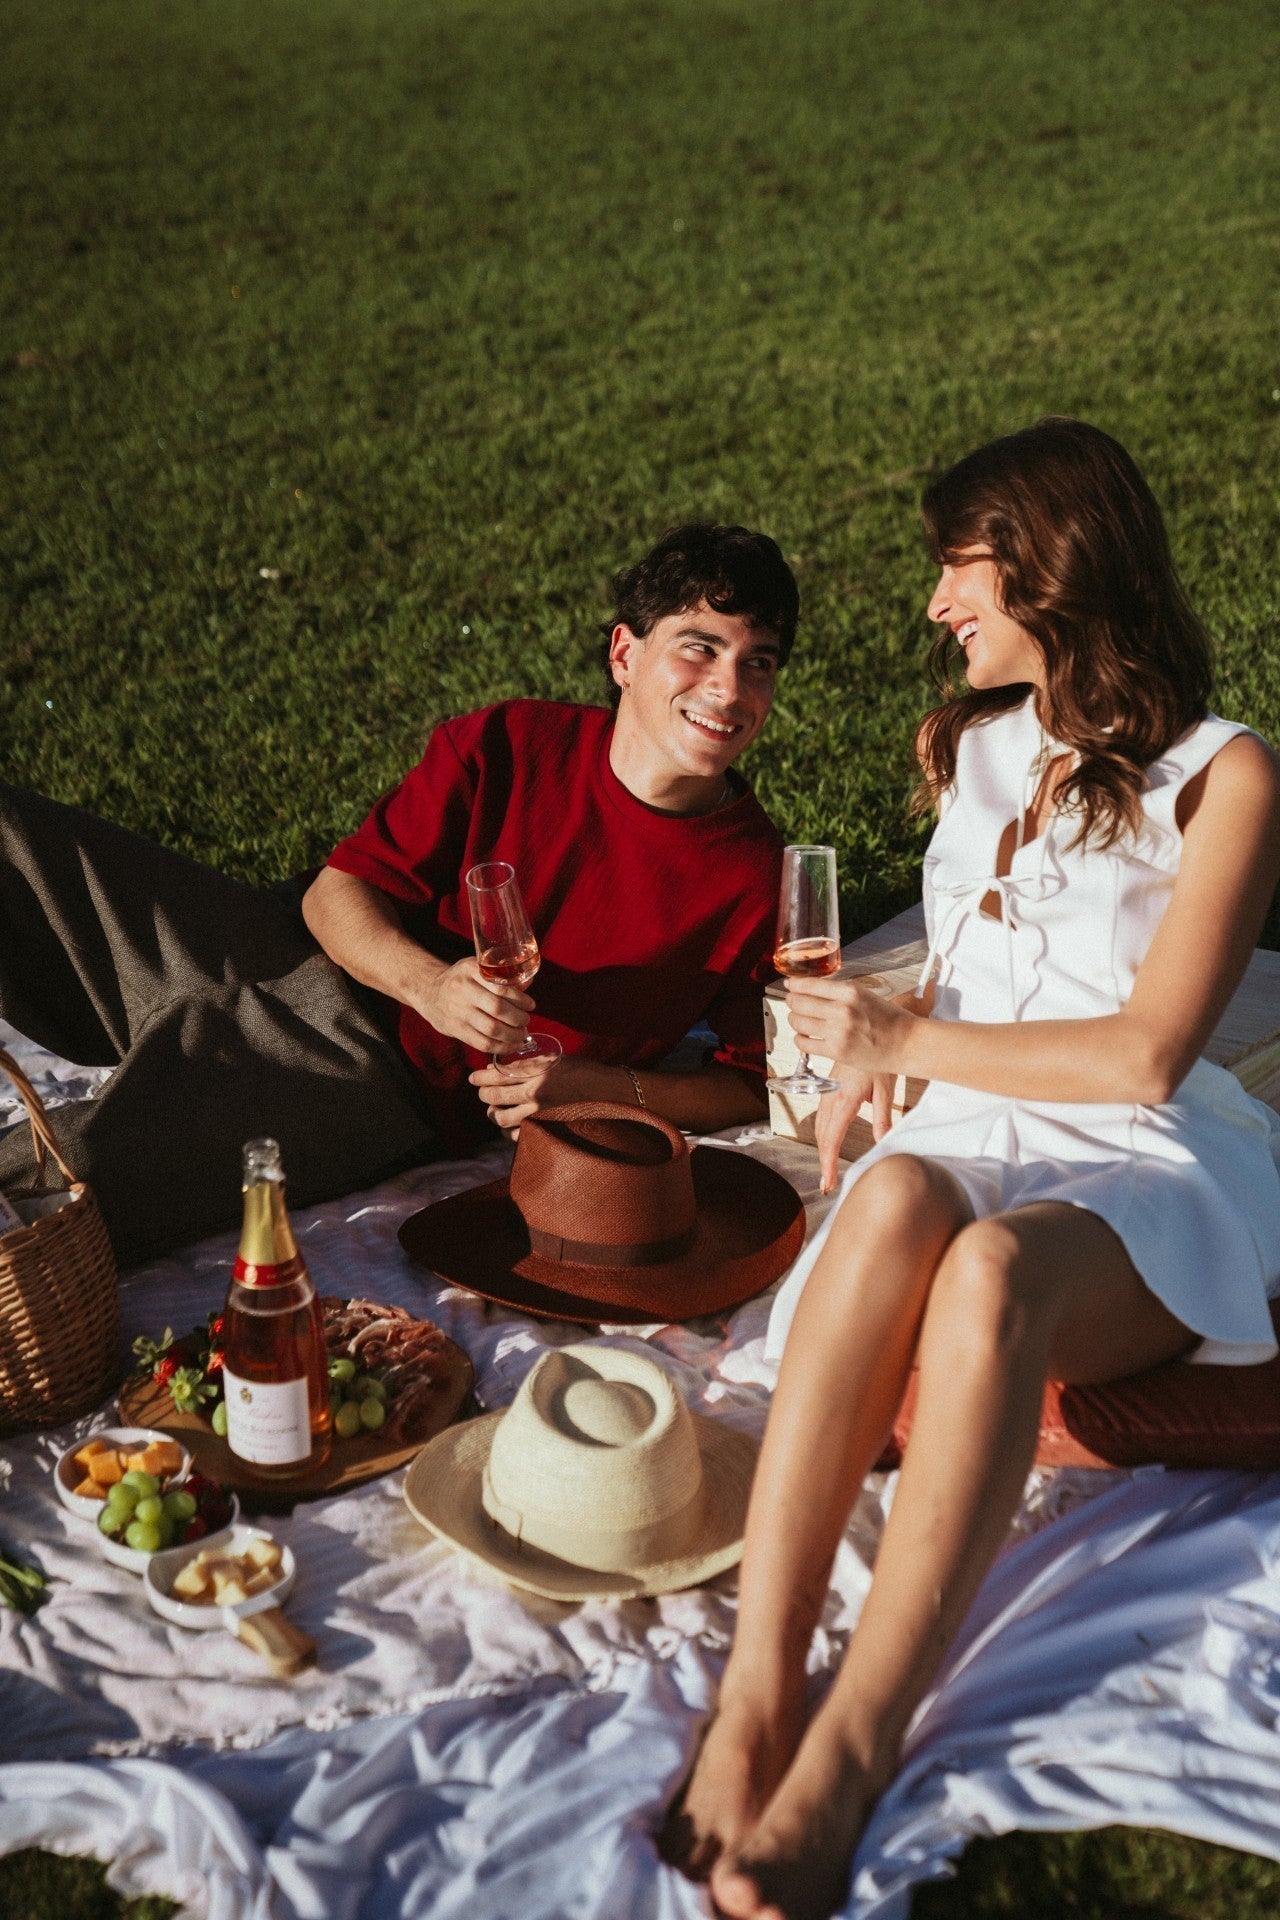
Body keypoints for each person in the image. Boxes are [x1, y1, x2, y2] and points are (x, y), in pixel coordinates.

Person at [662, 420, 1280, 1920]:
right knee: (883, 1204)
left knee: (996, 1272)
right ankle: (753, 1704)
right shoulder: (974, 743)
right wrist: (884, 1066)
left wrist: (901, 1026)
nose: (940, 603)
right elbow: (970, 967)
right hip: (967, 1124)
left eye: (961, 567)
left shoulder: (1229, 777)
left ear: (1051, 567)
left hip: (1150, 1157)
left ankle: (852, 1755)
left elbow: (1143, 1055)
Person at [0, 523, 796, 1265]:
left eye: (757, 660)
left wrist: (599, 1088)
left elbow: (751, 1081)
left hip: (375, 1077)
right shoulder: (511, 741)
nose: (729, 688)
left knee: (64, 1182)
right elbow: (334, 894)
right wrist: (433, 987)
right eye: (700, 648)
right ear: (625, 653)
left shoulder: (754, 875)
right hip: (291, 944)